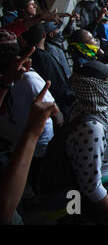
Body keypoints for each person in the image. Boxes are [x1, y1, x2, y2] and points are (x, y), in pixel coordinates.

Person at [66, 60, 108, 224]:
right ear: (96, 87)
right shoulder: (92, 128)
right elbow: (91, 186)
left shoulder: (90, 107)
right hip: (103, 195)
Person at [0, 80, 59, 225]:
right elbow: (5, 210)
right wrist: (32, 132)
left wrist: (6, 82)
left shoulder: (21, 80)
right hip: (33, 145)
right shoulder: (31, 80)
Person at [21, 23, 76, 117]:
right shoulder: (43, 58)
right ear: (44, 35)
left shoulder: (25, 55)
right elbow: (60, 87)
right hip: (57, 107)